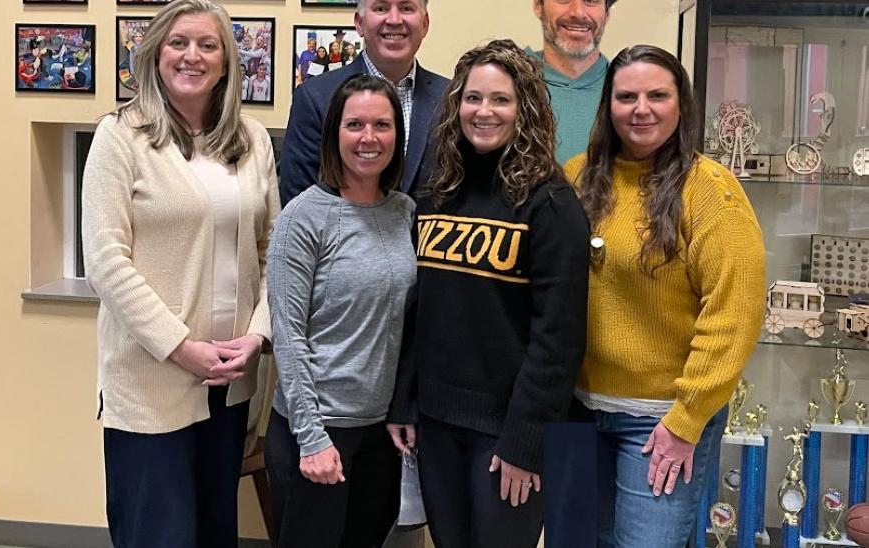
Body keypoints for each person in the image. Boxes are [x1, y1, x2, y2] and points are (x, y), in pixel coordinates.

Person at [81, 0, 280, 548]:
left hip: (229, 383)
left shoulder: (251, 140)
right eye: (178, 43)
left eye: (207, 45)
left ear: (225, 64)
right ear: (155, 55)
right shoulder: (122, 136)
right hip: (151, 384)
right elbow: (105, 260)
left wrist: (258, 336)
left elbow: (273, 253)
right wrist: (179, 346)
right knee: (158, 535)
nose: (192, 56)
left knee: (216, 532)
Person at [387, 40, 590, 548]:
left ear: (526, 109)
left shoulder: (551, 205)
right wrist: (405, 402)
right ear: (456, 106)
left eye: (500, 99)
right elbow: (418, 310)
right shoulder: (434, 194)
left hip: (507, 433)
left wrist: (526, 442)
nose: (484, 111)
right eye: (472, 98)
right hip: (435, 424)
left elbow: (558, 339)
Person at [563, 45, 766, 548]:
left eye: (658, 95)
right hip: (575, 413)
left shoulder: (710, 191)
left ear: (681, 105)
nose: (641, 109)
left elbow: (733, 313)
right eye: (626, 96)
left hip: (660, 423)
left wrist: (687, 418)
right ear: (608, 106)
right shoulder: (575, 177)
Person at [266, 74, 417, 548]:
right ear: (334, 133)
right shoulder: (303, 217)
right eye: (355, 125)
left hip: (379, 432)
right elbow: (288, 335)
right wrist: (311, 437)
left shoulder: (405, 213)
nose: (369, 138)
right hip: (316, 430)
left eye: (382, 125)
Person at [281, 0, 449, 205]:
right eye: (380, 8)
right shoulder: (316, 98)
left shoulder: (451, 98)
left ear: (424, 24)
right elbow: (299, 201)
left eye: (406, 8)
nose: (394, 19)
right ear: (359, 23)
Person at [525, 0, 618, 163]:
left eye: (590, 0)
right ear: (538, 5)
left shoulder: (630, 91)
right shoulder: (508, 82)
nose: (578, 12)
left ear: (607, 13)